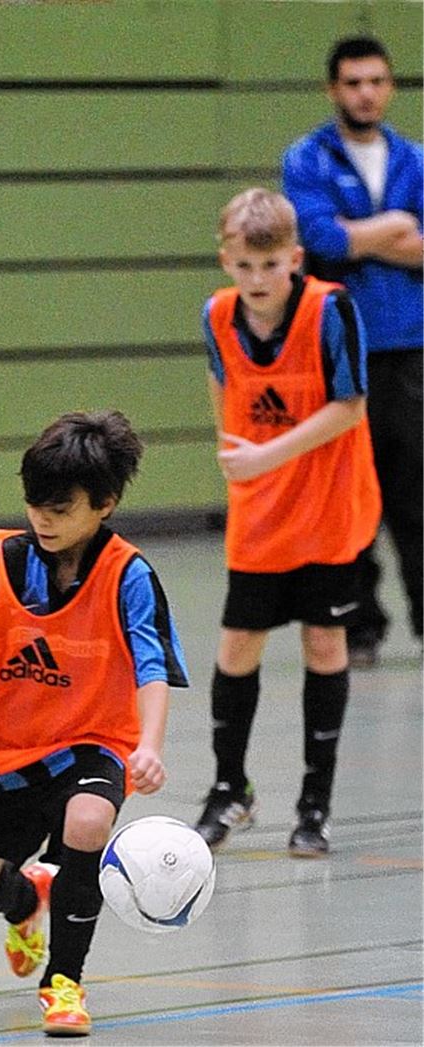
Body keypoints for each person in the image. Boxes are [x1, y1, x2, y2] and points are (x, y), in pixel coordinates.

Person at [0, 410, 188, 1037]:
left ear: (103, 505)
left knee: (89, 820)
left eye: (60, 508)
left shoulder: (129, 575)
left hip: (91, 742)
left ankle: (65, 984)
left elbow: (151, 668)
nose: (43, 519)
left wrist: (149, 746)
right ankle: (25, 903)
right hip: (9, 747)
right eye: (34, 505)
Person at [193, 188, 380, 859]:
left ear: (294, 258)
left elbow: (351, 405)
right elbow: (223, 383)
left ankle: (315, 804)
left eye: (270, 266)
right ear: (226, 260)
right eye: (244, 267)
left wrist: (266, 454)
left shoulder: (331, 309)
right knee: (237, 644)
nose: (257, 280)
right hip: (262, 511)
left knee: (324, 644)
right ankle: (228, 788)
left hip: (329, 506)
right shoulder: (217, 315)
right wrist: (231, 448)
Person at [281, 35, 423, 668]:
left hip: (409, 348)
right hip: (338, 347)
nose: (366, 92)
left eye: (376, 81)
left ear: (389, 86)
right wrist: (395, 229)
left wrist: (357, 237)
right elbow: (317, 238)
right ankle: (361, 628)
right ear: (333, 89)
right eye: (353, 82)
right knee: (350, 499)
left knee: (415, 493)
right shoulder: (307, 159)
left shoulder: (415, 161)